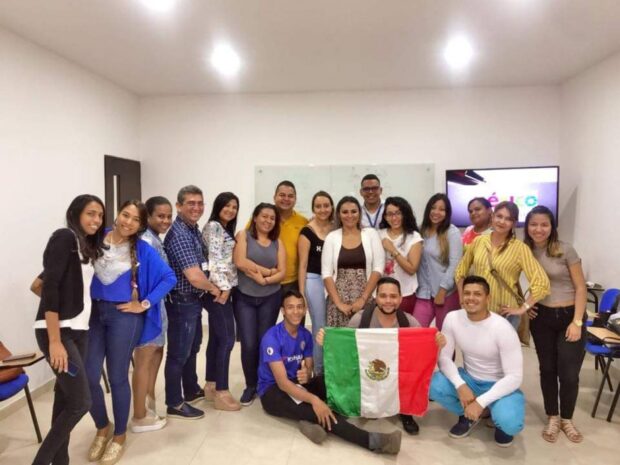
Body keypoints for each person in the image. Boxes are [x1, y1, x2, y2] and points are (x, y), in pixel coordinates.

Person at [85, 200, 176, 464]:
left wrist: (144, 303)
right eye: (126, 215)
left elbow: (168, 277)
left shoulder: (143, 249)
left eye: (136, 220)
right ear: (117, 214)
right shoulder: (96, 238)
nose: (128, 222)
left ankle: (119, 436)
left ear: (141, 225)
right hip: (94, 315)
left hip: (124, 317)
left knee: (117, 377)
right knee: (89, 376)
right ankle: (103, 427)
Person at [258, 290, 402, 454]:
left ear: (305, 310)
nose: (296, 311)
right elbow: (283, 384)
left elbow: (309, 369)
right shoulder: (271, 338)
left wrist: (307, 374)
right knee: (319, 409)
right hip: (273, 392)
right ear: (283, 311)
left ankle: (309, 422)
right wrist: (315, 400)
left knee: (330, 382)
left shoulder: (305, 334)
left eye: (299, 307)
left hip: (296, 384)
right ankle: (374, 441)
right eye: (290, 307)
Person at [316, 276, 446, 436]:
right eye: (383, 296)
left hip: (396, 375)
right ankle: (363, 402)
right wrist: (326, 341)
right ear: (376, 298)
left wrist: (437, 345)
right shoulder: (360, 319)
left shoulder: (409, 323)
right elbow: (345, 351)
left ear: (400, 299)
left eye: (393, 296)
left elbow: (423, 357)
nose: (388, 301)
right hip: (368, 374)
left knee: (411, 372)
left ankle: (405, 411)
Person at [32, 195, 105, 465]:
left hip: (79, 332)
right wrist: (54, 341)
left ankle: (61, 461)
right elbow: (49, 287)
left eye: (100, 215)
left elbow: (36, 284)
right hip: (59, 334)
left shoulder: (84, 247)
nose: (97, 220)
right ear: (75, 214)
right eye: (91, 213)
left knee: (65, 398)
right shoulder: (64, 237)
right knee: (81, 402)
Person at [429, 275, 525, 447]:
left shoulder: (502, 328)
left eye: (477, 294)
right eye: (467, 293)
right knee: (432, 384)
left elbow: (515, 377)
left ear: (488, 298)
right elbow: (444, 358)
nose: (471, 298)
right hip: (470, 380)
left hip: (498, 384)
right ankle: (467, 415)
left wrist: (481, 402)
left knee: (510, 424)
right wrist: (460, 385)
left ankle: (496, 417)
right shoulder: (452, 318)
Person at [524, 206, 587, 443]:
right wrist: (527, 304)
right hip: (542, 318)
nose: (538, 229)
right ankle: (553, 416)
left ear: (552, 227)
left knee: (569, 373)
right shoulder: (525, 251)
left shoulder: (565, 249)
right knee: (548, 369)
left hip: (570, 315)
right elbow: (530, 283)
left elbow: (581, 287)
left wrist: (577, 321)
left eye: (544, 224)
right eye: (534, 224)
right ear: (527, 227)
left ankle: (567, 419)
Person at [163, 185, 221, 420]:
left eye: (200, 203)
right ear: (179, 206)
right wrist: (215, 289)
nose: (196, 207)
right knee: (178, 353)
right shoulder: (179, 235)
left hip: (193, 301)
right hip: (182, 302)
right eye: (191, 203)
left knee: (192, 347)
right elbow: (195, 276)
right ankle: (174, 403)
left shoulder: (193, 229)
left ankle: (190, 389)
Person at [454, 201, 550, 331]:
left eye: (508, 219)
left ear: (513, 223)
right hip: (477, 311)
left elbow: (542, 282)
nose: (502, 221)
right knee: (473, 344)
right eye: (499, 216)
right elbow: (460, 271)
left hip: (505, 315)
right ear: (493, 217)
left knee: (501, 345)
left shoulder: (520, 249)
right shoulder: (479, 241)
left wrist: (524, 308)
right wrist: (462, 299)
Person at [233, 203, 286, 406]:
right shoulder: (243, 235)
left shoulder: (278, 242)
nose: (268, 221)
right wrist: (268, 271)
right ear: (255, 217)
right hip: (244, 297)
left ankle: (264, 382)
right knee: (248, 343)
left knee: (265, 342)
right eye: (264, 216)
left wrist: (265, 280)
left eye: (272, 218)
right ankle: (250, 385)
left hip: (270, 297)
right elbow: (240, 262)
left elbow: (282, 272)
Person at [130, 196, 173, 433]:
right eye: (160, 216)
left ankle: (148, 407)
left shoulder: (155, 239)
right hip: (149, 310)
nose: (165, 221)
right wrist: (144, 304)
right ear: (148, 217)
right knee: (144, 361)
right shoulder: (146, 241)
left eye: (169, 217)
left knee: (155, 355)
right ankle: (139, 416)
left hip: (158, 307)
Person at [202, 192, 241, 411]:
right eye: (227, 206)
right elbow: (214, 260)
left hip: (222, 288)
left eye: (234, 207)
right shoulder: (215, 227)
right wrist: (224, 289)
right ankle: (222, 392)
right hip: (218, 290)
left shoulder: (224, 229)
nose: (230, 210)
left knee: (217, 338)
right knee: (227, 338)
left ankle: (211, 385)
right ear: (218, 206)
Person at [322, 196, 384, 328]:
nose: (349, 215)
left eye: (354, 211)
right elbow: (326, 274)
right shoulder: (331, 237)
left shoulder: (371, 234)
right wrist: (339, 303)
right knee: (341, 339)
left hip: (366, 298)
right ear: (338, 215)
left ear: (359, 213)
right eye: (345, 212)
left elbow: (378, 268)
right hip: (338, 302)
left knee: (365, 337)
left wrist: (363, 299)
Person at [298, 191, 334, 375]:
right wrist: (301, 293)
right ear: (313, 208)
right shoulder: (307, 231)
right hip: (314, 280)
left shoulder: (337, 228)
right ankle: (319, 373)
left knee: (333, 326)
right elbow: (302, 265)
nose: (322, 209)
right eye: (318, 206)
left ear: (332, 207)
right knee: (320, 327)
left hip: (333, 279)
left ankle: (332, 369)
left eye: (326, 205)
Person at [413, 193, 462, 330]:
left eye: (442, 209)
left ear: (447, 213)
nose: (436, 212)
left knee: (445, 335)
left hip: (445, 294)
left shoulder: (452, 232)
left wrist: (442, 290)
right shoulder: (420, 230)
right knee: (416, 331)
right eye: (433, 208)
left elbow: (455, 264)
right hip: (423, 293)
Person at [378, 196, 423, 315]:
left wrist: (393, 250)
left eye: (398, 213)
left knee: (403, 325)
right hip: (381, 294)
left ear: (405, 214)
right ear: (385, 217)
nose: (394, 218)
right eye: (389, 214)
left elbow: (412, 269)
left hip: (405, 293)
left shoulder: (413, 237)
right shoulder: (378, 234)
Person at [273, 180, 308, 294]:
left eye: (290, 196)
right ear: (274, 197)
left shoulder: (303, 222)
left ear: (295, 199)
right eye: (282, 195)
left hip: (293, 283)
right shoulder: (264, 218)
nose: (286, 199)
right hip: (268, 280)